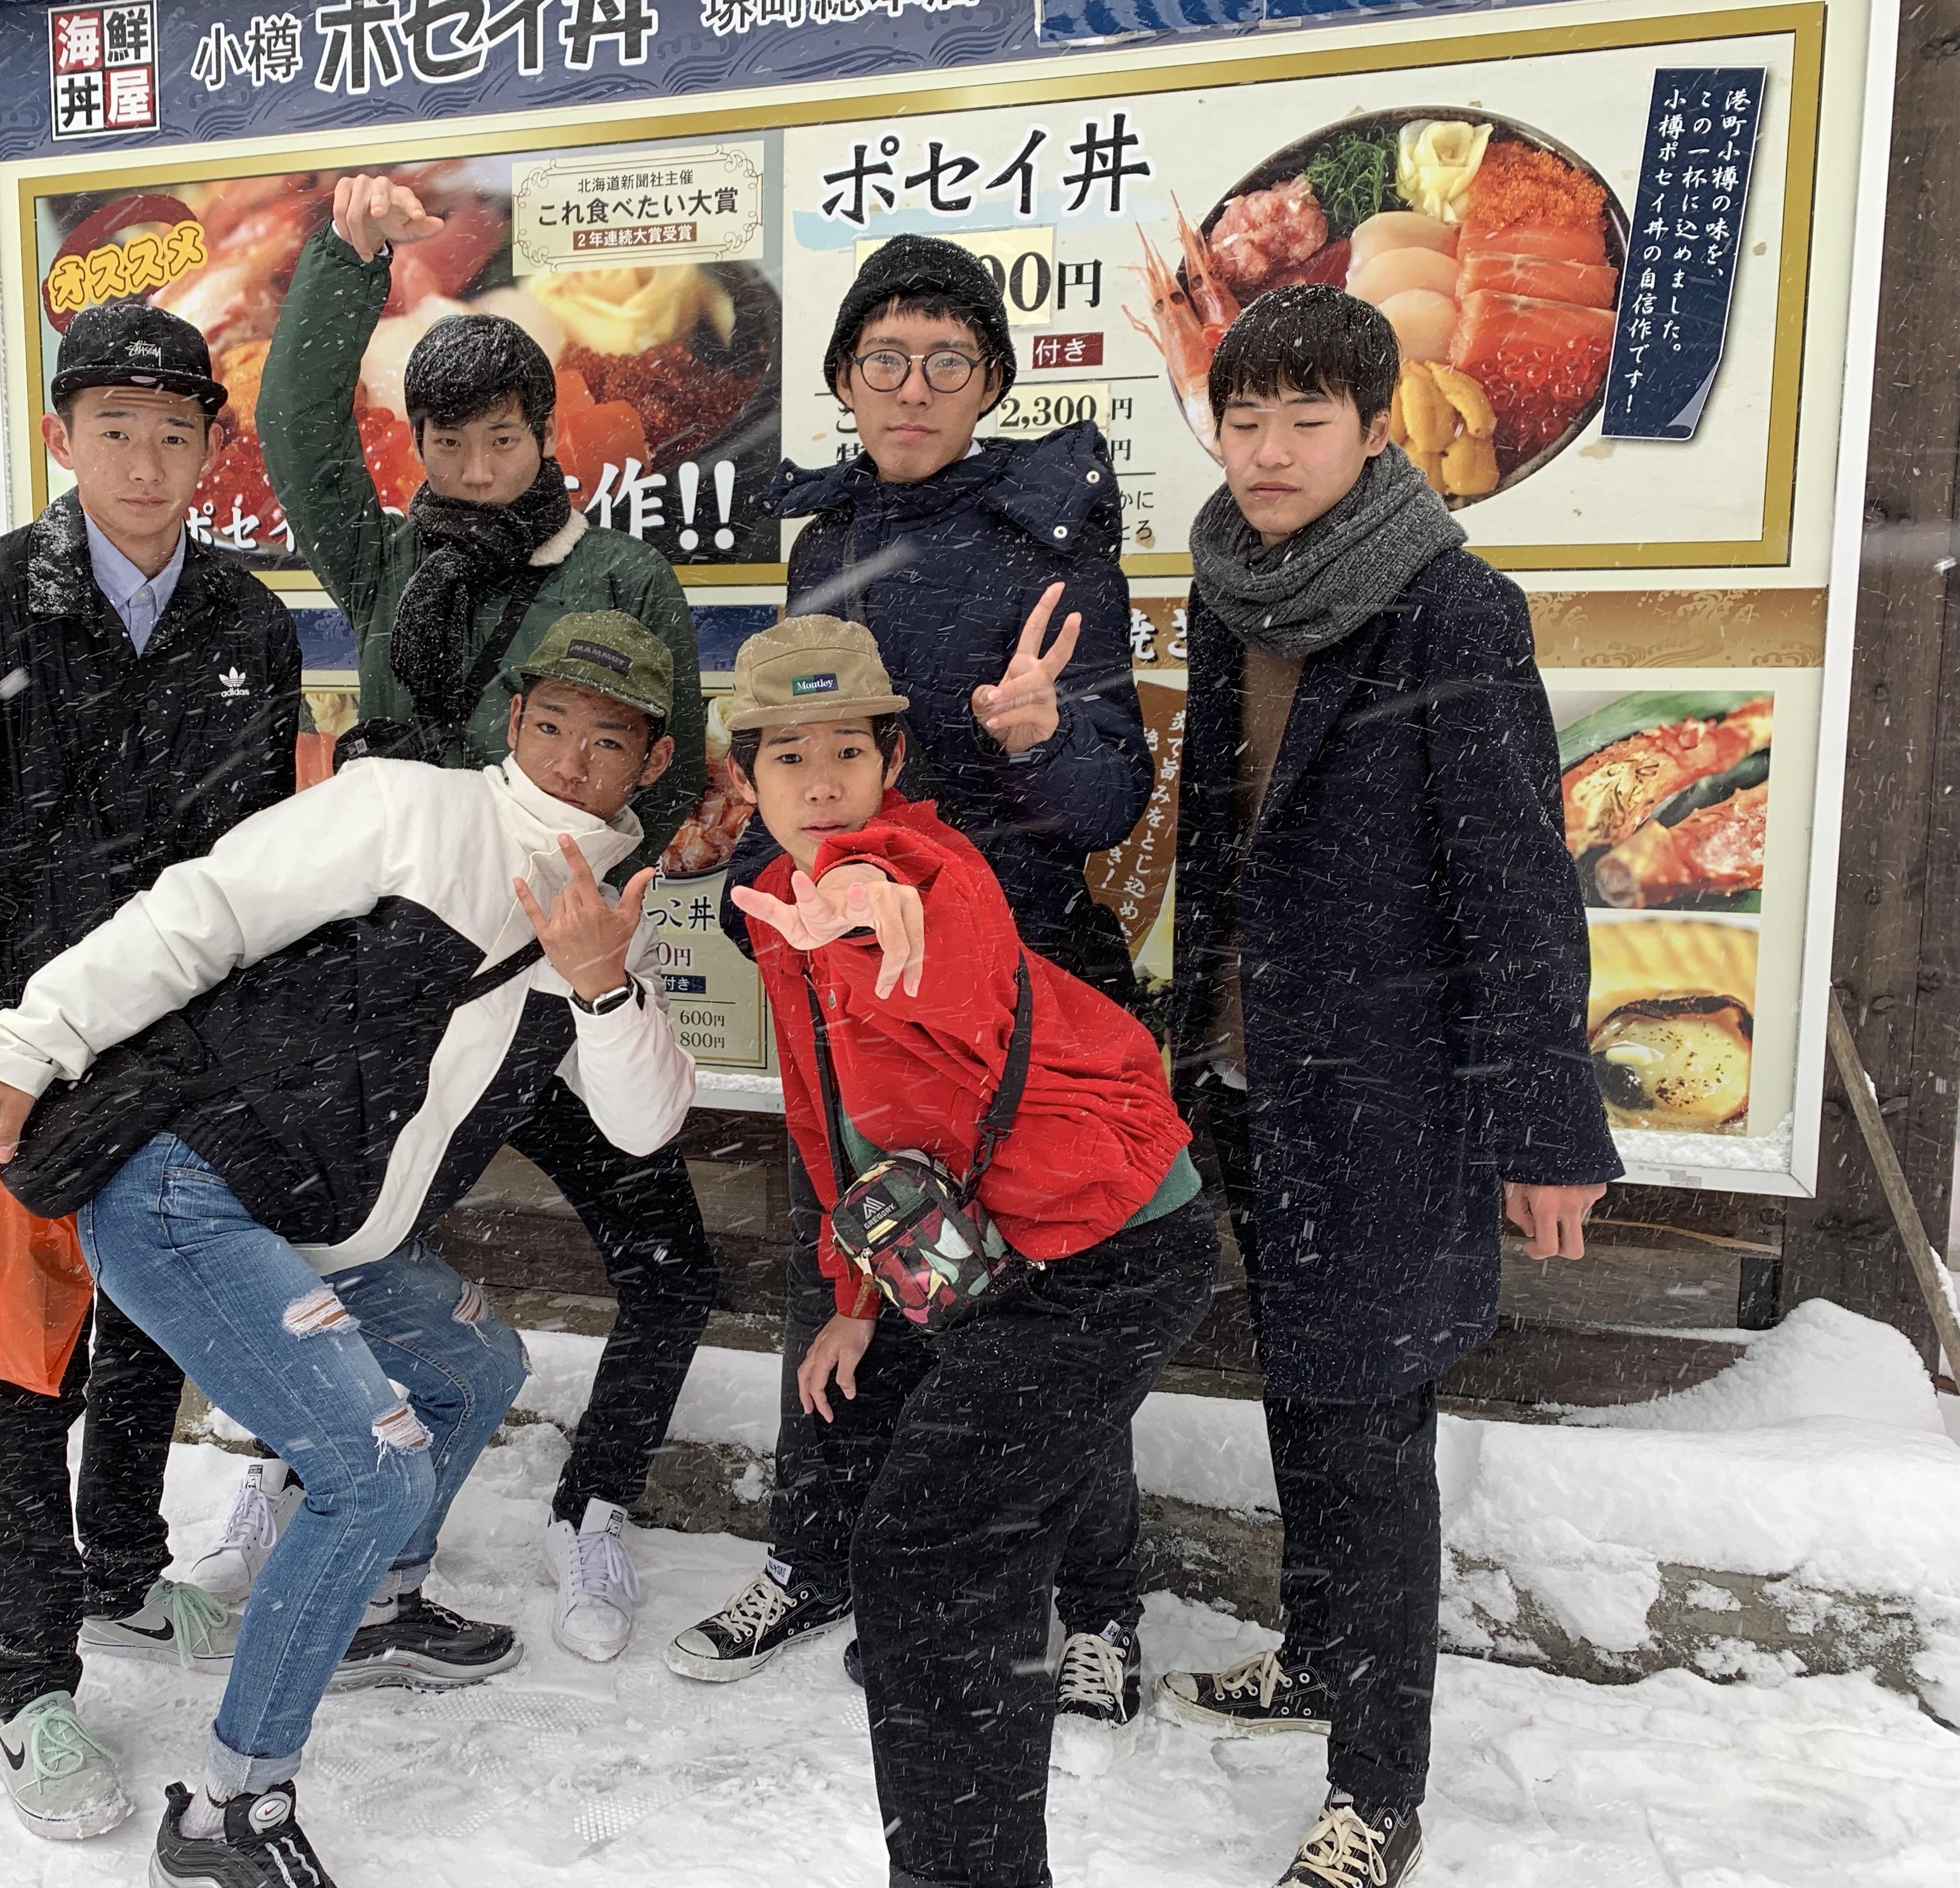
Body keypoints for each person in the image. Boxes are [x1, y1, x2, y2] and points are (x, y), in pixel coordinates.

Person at [0, 612, 696, 1888]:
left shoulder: (614, 912)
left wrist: (602, 986)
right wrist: (29, 1045)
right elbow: (202, 912)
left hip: (331, 1227)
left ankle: (374, 1610)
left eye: (608, 740)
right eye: (553, 725)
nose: (573, 759)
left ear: (652, 759)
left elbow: (644, 1121)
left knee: (475, 1369)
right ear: (515, 722)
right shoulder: (412, 810)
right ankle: (229, 1814)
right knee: (374, 1466)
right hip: (187, 1188)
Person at [1153, 285, 1619, 1888]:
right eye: (1246, 419)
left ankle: (1377, 1789)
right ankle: (1312, 1654)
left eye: (1309, 420)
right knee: (1303, 1388)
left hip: (1390, 1095)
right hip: (1250, 1077)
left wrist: (1543, 1127)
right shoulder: (1234, 587)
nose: (1271, 451)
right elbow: (1224, 837)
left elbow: (1516, 882)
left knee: (1368, 1431)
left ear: (1373, 431)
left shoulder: (1452, 608)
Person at [680, 234, 1163, 1724]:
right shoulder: (825, 540)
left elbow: (1110, 799)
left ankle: (1098, 1609)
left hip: (1007, 990)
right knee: (848, 1247)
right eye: (883, 359)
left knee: (1036, 1299)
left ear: (992, 383)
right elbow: (795, 760)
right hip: (849, 978)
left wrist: (1041, 738)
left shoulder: (1052, 537)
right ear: (842, 380)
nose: (913, 387)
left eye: (949, 360)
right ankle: (817, 1554)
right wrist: (756, 870)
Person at [248, 171, 716, 1665]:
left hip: (552, 993)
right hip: (397, 1000)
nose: (474, 466)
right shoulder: (390, 562)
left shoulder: (618, 576)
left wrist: (589, 891)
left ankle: (596, 1504)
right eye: (446, 443)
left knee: (666, 1260)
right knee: (337, 1248)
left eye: (500, 439)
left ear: (544, 432)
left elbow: (672, 761)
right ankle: (297, 1484)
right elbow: (297, 435)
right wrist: (345, 264)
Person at [0, 303, 303, 1840]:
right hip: (19, 1060)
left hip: (178, 1055)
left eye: (175, 433)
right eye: (114, 429)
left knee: (150, 1333)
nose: (144, 460)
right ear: (64, 438)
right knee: (27, 1366)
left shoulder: (246, 624)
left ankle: (121, 1571)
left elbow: (264, 861)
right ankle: (29, 1681)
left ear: (211, 451)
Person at [719, 615, 1217, 1888]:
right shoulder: (777, 910)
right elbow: (829, 1121)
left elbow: (958, 971)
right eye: (788, 756)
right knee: (950, 1559)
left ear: (894, 761)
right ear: (746, 775)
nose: (821, 783)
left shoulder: (932, 873)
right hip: (1004, 1254)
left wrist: (878, 913)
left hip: (1119, 1248)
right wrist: (852, 1295)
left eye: (848, 751)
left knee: (926, 1554)